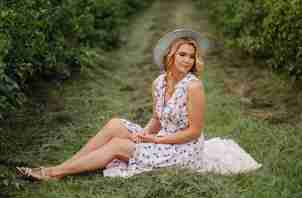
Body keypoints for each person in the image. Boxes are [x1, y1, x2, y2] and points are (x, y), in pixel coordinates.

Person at [17, 29, 261, 180]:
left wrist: (156, 140)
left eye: (191, 56)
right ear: (170, 55)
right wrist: (145, 134)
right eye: (182, 54)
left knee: (118, 145)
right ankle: (64, 165)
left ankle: (54, 173)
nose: (187, 60)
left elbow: (194, 132)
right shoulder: (159, 82)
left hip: (185, 150)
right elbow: (157, 118)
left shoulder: (194, 86)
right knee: (115, 124)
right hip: (162, 136)